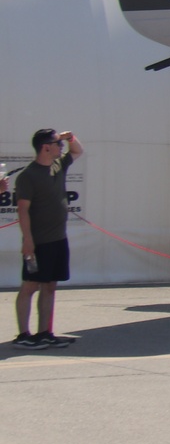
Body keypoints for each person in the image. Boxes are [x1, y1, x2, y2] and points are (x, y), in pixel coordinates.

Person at [14, 129, 82, 349]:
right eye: (57, 143)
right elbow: (23, 210)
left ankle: (45, 332)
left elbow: (77, 150)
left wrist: (69, 137)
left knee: (50, 286)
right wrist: (28, 241)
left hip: (58, 239)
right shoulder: (28, 176)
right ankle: (23, 334)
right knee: (30, 286)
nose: (61, 146)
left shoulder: (58, 166)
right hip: (38, 241)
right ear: (46, 147)